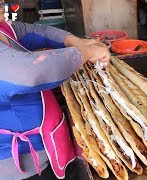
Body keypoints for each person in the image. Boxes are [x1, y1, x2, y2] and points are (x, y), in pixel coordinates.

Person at [0, 0, 111, 179]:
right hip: (21, 165)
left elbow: (33, 31)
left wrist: (77, 42)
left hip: (47, 142)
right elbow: (31, 72)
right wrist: (85, 53)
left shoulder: (3, 27)